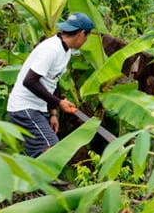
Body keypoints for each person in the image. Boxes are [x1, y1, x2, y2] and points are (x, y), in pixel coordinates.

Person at [6, 12, 96, 157]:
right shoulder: (52, 49)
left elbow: (52, 82)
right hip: (24, 108)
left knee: (42, 155)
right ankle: (53, 180)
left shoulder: (66, 51)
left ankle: (35, 179)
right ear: (82, 34)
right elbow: (29, 81)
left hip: (37, 109)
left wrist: (53, 113)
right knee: (52, 152)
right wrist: (59, 102)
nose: (85, 40)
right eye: (87, 37)